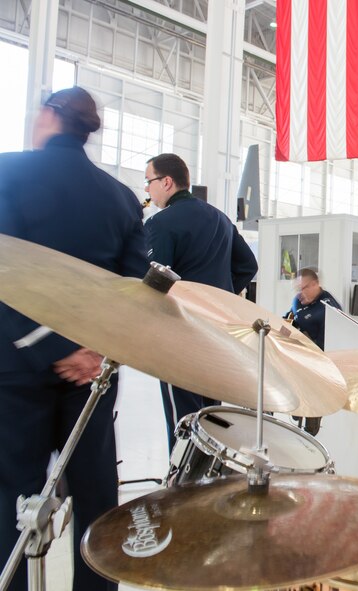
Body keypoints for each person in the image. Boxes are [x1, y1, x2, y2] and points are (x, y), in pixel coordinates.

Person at [0, 87, 149, 591]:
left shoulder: (7, 172)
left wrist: (52, 347)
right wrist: (93, 351)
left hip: (16, 369)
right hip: (94, 374)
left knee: (12, 500)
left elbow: (3, 273)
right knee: (94, 498)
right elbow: (134, 291)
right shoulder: (123, 197)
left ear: (47, 117)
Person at [143, 153, 258, 451]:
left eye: (149, 181)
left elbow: (155, 281)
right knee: (210, 413)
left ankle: (181, 484)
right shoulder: (220, 218)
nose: (147, 190)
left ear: (166, 182)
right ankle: (208, 480)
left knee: (183, 417)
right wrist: (221, 296)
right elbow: (248, 265)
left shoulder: (161, 223)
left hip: (179, 333)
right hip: (216, 333)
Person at [285, 268, 341, 435]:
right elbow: (289, 318)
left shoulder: (329, 308)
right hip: (296, 355)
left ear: (316, 284)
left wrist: (302, 342)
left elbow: (329, 345)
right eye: (298, 289)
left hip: (318, 360)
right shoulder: (298, 300)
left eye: (304, 288)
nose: (300, 293)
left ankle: (312, 417)